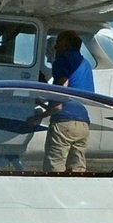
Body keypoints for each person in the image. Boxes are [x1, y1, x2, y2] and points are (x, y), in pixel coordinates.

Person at [31, 30, 93, 172]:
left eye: (58, 42)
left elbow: (60, 99)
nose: (55, 46)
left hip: (63, 123)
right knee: (77, 168)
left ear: (65, 44)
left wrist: (36, 117)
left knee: (54, 168)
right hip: (83, 123)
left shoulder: (62, 60)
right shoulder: (86, 64)